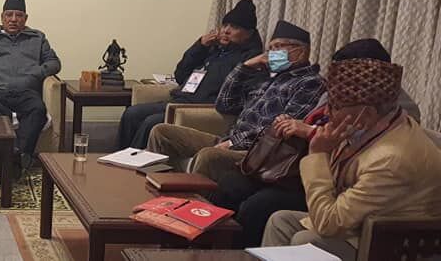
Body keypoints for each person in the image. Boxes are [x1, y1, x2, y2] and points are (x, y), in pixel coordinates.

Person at [211, 38, 391, 248]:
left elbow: (350, 145)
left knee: (258, 206)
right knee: (231, 183)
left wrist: (310, 132)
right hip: (294, 167)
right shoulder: (337, 93)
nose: (338, 84)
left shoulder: (384, 109)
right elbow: (226, 104)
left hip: (325, 182)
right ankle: (210, 247)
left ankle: (238, 252)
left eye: (346, 75)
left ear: (370, 74)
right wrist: (290, 124)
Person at [262, 57, 441, 260]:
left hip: (398, 244)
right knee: (281, 221)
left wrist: (318, 154)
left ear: (368, 113)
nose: (326, 113)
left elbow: (328, 223)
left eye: (334, 107)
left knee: (306, 240)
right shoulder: (383, 124)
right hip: (362, 224)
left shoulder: (390, 159)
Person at [147, 20, 323, 183]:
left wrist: (233, 143)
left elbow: (279, 129)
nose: (272, 54)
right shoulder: (268, 78)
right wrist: (245, 67)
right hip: (230, 140)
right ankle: (159, 189)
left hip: (256, 153)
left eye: (279, 47)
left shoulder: (309, 83)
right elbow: (224, 103)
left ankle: (190, 203)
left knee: (209, 156)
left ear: (300, 51)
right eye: (270, 48)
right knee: (162, 132)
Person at [117, 0, 263, 149]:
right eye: (225, 25)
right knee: (132, 113)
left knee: (151, 122)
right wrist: (200, 46)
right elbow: (180, 75)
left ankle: (134, 162)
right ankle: (118, 158)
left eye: (235, 27)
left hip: (199, 107)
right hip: (180, 100)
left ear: (249, 33)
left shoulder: (250, 60)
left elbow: (236, 97)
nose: (226, 31)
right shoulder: (214, 49)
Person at [0, 0, 61, 172]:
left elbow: (54, 63)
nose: (13, 19)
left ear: (25, 18)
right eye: (9, 15)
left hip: (26, 91)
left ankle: (14, 156)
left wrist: (36, 73)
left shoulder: (37, 38)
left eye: (18, 15)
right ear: (2, 17)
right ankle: (17, 159)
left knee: (38, 110)